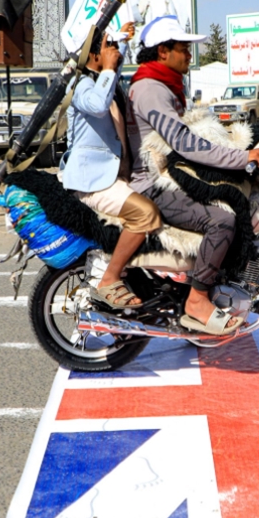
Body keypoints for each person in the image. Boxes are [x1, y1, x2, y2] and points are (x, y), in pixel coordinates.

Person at [126, 16, 259, 336]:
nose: (190, 56)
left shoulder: (165, 85)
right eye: (184, 49)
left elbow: (192, 135)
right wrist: (241, 157)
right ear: (163, 51)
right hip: (152, 185)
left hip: (171, 174)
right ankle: (197, 301)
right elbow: (184, 142)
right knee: (221, 221)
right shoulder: (150, 89)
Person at [59, 23, 162, 308]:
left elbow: (112, 74)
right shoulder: (80, 85)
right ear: (93, 55)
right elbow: (97, 105)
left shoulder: (104, 80)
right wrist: (107, 67)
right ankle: (110, 277)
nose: (113, 53)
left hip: (115, 176)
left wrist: (123, 41)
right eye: (107, 46)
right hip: (93, 182)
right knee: (145, 214)